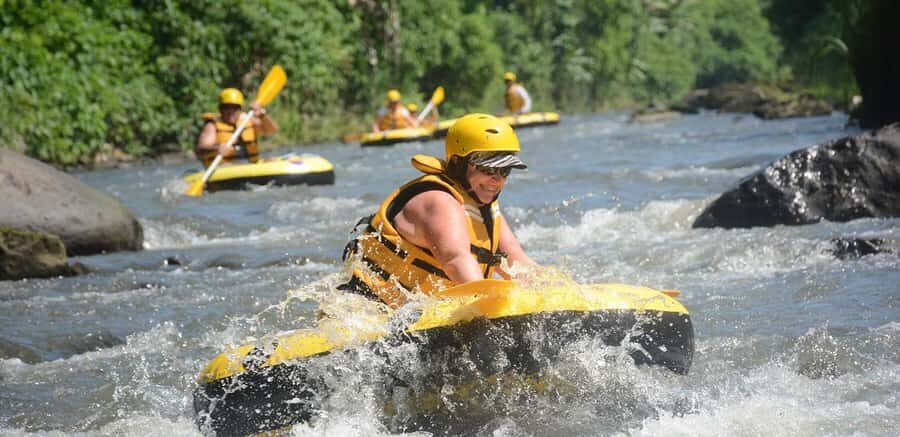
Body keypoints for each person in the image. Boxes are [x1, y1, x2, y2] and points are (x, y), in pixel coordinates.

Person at [343, 113, 535, 307]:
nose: (497, 179)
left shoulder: (484, 207)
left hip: (411, 317)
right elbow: (456, 261)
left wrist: (550, 291)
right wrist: (490, 309)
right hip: (366, 314)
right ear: (457, 163)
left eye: (505, 171)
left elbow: (517, 261)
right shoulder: (439, 202)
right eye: (488, 169)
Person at [195, 87, 278, 168]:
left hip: (251, 166)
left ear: (240, 109)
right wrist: (216, 149)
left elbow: (272, 130)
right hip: (226, 169)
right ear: (220, 109)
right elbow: (200, 150)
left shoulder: (248, 119)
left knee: (272, 160)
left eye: (235, 108)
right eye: (226, 107)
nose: (230, 111)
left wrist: (262, 115)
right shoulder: (212, 126)